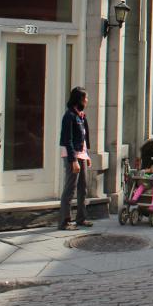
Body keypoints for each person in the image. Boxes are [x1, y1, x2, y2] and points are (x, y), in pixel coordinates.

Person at [58, 87, 92, 230]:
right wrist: (73, 161)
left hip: (81, 154)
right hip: (72, 155)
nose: (87, 101)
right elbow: (68, 140)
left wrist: (87, 155)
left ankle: (81, 218)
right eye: (85, 98)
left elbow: (83, 139)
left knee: (82, 187)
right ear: (79, 99)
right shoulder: (69, 116)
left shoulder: (81, 116)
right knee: (70, 188)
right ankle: (64, 221)